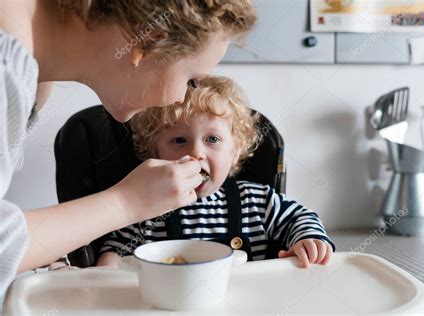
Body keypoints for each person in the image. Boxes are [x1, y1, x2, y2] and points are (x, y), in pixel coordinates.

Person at [0, 0, 256, 299]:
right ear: (147, 43)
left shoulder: (36, 78)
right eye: (191, 80)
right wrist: (124, 204)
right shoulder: (7, 63)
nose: (180, 98)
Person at [96, 76, 335, 269]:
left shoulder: (257, 201)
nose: (195, 153)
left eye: (212, 139)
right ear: (155, 152)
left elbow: (299, 217)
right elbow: (114, 253)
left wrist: (308, 241)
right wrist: (106, 268)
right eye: (179, 140)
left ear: (235, 150)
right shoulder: (145, 206)